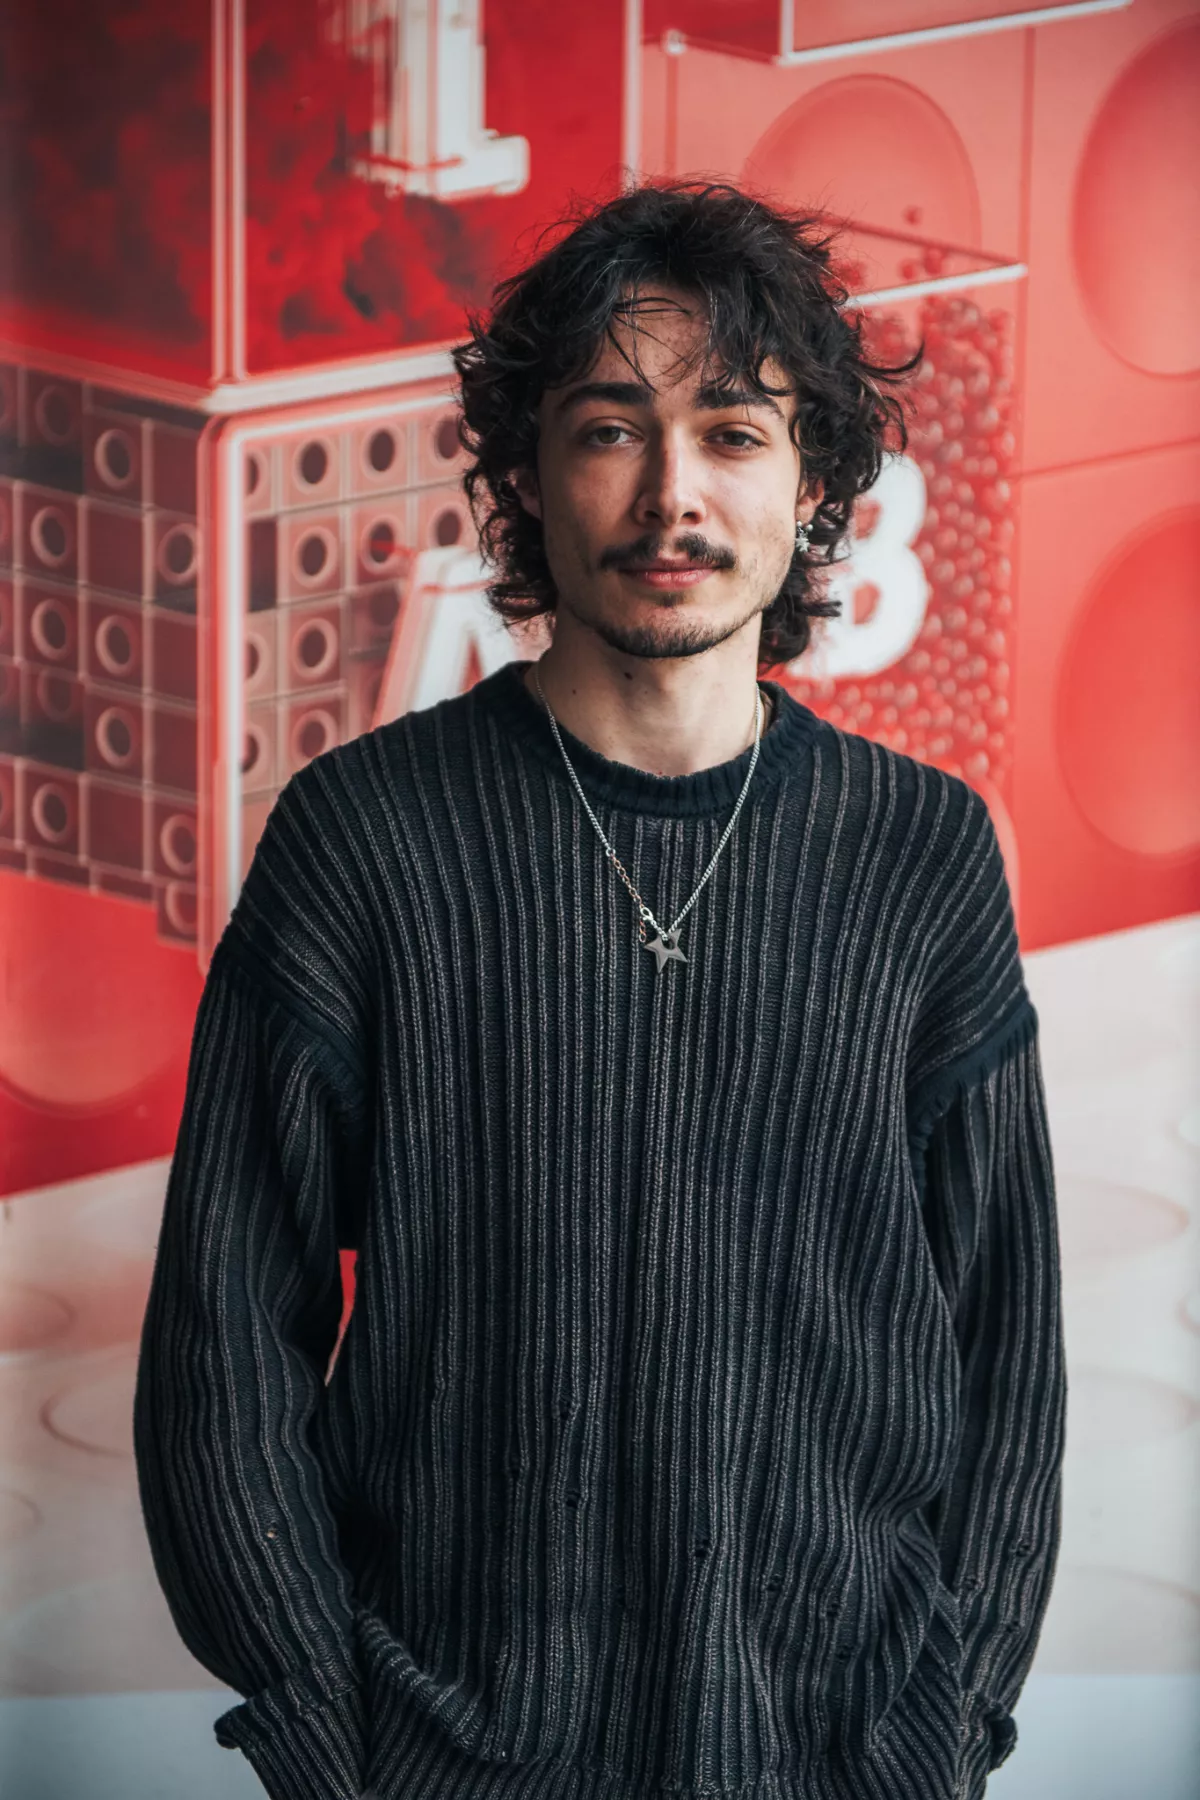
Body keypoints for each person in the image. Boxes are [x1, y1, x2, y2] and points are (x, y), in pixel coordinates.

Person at [133, 180, 1067, 1800]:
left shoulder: (922, 858)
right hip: (445, 1756)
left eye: (733, 432)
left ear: (813, 483)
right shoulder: (364, 843)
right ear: (526, 474)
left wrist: (947, 1726)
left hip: (838, 1760)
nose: (671, 495)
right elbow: (225, 1343)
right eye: (611, 429)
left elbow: (1008, 1352)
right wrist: (323, 1727)